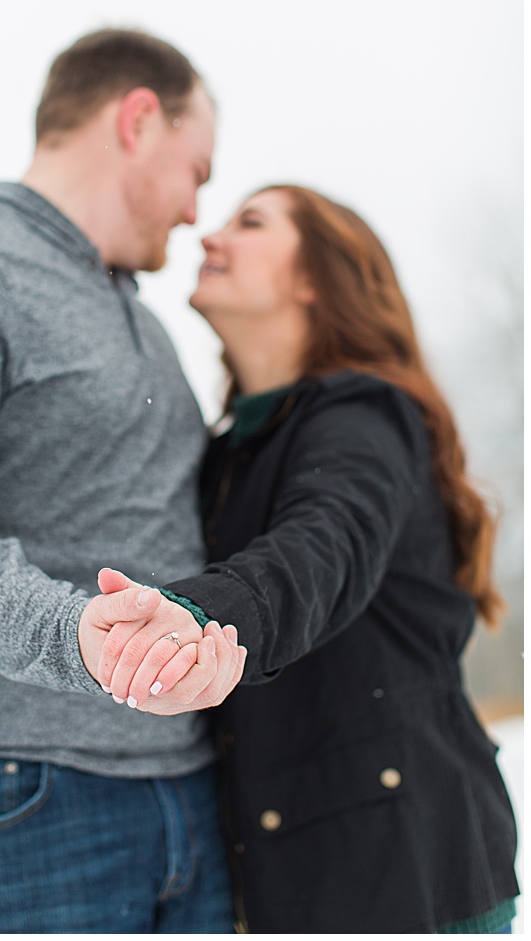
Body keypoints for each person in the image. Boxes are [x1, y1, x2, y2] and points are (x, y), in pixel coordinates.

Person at [0, 28, 246, 933]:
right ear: (138, 120)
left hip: (181, 791)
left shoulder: (138, 316)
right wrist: (77, 639)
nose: (194, 212)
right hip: (2, 797)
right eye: (198, 170)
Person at [96, 186, 520, 932]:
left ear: (315, 279)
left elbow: (324, 545)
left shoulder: (363, 414)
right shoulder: (229, 452)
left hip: (413, 874)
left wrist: (197, 617)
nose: (210, 238)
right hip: (301, 884)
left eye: (249, 223)